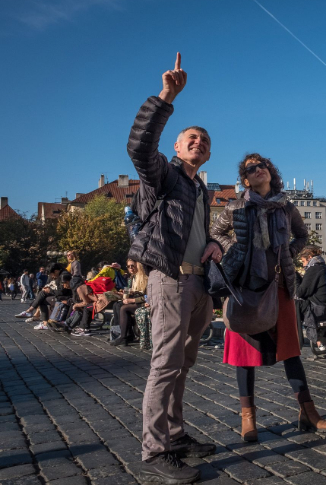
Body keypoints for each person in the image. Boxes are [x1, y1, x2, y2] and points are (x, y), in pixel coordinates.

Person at [127, 52, 222, 484]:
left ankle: (176, 433)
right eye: (191, 138)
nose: (198, 142)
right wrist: (167, 97)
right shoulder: (162, 175)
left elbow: (204, 232)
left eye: (204, 139)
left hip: (198, 284)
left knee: (182, 363)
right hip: (169, 279)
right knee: (165, 364)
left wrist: (217, 242)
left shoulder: (199, 190)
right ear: (176, 147)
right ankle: (155, 449)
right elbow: (139, 146)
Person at [211, 153, 326, 443]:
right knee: (244, 353)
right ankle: (248, 417)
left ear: (270, 171)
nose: (258, 170)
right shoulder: (235, 206)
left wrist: (287, 256)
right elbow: (214, 232)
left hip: (279, 285)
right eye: (251, 168)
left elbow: (301, 236)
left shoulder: (286, 207)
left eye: (262, 165)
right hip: (245, 286)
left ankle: (308, 411)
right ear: (245, 179)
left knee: (291, 350)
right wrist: (235, 250)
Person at [296, 245, 326, 354]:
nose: (303, 265)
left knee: (296, 304)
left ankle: (298, 339)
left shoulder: (314, 269)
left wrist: (295, 279)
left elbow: (301, 292)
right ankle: (322, 341)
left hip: (319, 310)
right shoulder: (324, 266)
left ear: (309, 257)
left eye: (304, 261)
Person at [105, 259, 147, 344]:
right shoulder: (131, 277)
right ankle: (118, 333)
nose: (131, 268)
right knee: (116, 305)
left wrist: (130, 299)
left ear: (137, 265)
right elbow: (130, 290)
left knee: (124, 308)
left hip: (142, 302)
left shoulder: (144, 277)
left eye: (132, 266)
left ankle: (123, 336)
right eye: (128, 266)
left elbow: (146, 297)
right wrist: (122, 294)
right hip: (135, 300)